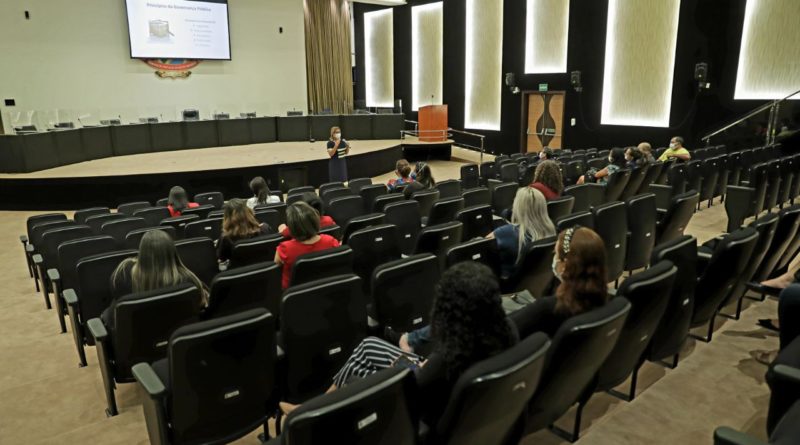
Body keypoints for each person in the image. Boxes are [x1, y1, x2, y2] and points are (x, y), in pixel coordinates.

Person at [280, 261, 516, 428]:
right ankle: (314, 405)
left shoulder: (448, 357)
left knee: (357, 370)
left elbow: (414, 390)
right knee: (368, 345)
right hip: (440, 389)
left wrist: (404, 367)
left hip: (417, 407)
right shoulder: (506, 331)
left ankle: (310, 412)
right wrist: (420, 364)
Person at [510, 226, 610, 336]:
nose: (554, 259)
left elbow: (506, 329)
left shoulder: (547, 308)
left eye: (555, 254)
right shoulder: (606, 301)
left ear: (565, 265)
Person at [104, 229, 207, 332]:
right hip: (178, 341)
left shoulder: (123, 275)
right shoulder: (189, 280)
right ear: (172, 252)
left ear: (142, 253)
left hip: (138, 343)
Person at [487, 187, 556, 278]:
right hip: (536, 284)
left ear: (517, 206)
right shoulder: (552, 231)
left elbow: (480, 245)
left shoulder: (506, 232)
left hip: (507, 286)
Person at [275, 201, 340, 288]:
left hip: (295, 293)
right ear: (315, 221)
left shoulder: (284, 249)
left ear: (291, 227)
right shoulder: (331, 241)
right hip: (326, 288)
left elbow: (276, 268)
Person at [217, 199, 271, 263]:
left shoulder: (225, 239)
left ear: (227, 218)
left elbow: (221, 258)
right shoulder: (265, 228)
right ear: (249, 212)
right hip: (265, 270)